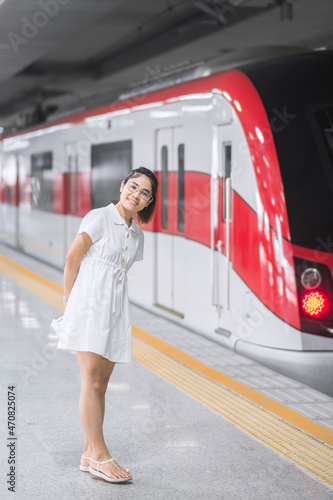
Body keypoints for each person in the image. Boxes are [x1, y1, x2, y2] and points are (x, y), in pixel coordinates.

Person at [51, 167, 158, 483]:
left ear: (148, 201)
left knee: (102, 384)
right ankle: (101, 456)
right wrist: (71, 304)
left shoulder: (136, 235)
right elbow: (73, 259)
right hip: (88, 308)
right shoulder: (98, 217)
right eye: (133, 186)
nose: (135, 195)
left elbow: (119, 273)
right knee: (91, 382)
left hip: (114, 312)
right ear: (122, 184)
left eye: (144, 193)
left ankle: (88, 453)